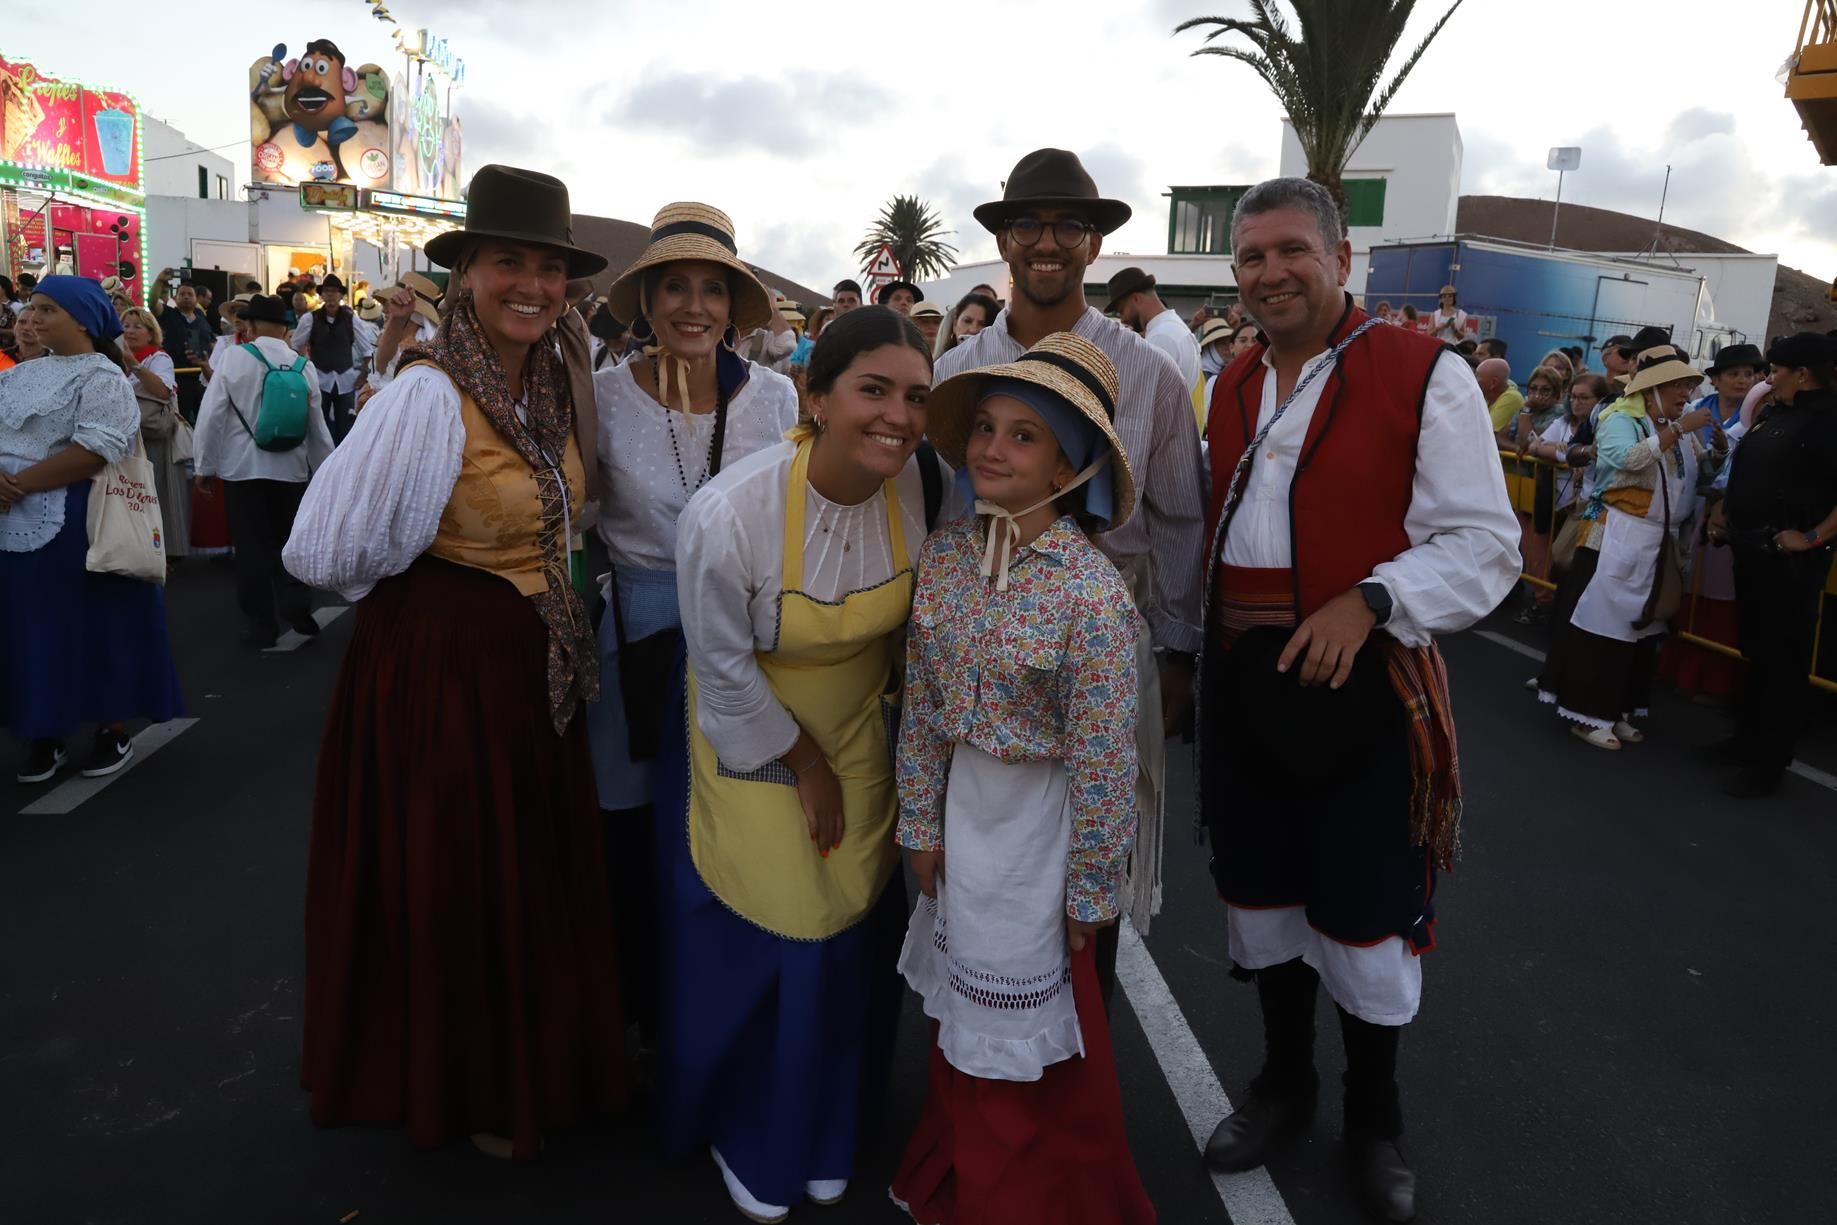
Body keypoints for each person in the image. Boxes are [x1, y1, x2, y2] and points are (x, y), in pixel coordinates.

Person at [281, 165, 623, 1160]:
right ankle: (463, 1083)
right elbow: (322, 548)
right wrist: (430, 597)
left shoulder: (553, 385)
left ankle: (527, 1066)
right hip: (442, 665)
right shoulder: (425, 396)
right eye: (507, 262)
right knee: (458, 881)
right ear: (466, 272)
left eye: (549, 268)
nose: (532, 285)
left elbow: (573, 515)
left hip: (526, 661)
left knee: (520, 873)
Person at [1196, 178, 1520, 1224]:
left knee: (1362, 907)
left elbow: (1483, 546)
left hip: (1356, 691)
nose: (1268, 273)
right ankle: (1283, 1083)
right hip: (1246, 689)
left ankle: (1374, 1118)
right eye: (1250, 257)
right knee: (1266, 891)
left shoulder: (1425, 374)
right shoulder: (1234, 380)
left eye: (1289, 250)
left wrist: (1375, 597)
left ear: (1342, 257)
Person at [662, 306, 935, 1222]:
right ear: (814, 396)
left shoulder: (919, 487)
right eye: (873, 389)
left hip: (860, 733)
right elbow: (723, 666)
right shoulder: (726, 514)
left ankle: (826, 1126)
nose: (897, 415)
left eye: (915, 396)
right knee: (777, 926)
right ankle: (751, 1127)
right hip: (755, 740)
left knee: (848, 932)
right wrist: (803, 763)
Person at [890, 332, 1154, 1224]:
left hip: (1036, 825)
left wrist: (1089, 887)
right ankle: (964, 1162)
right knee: (959, 1017)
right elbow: (923, 703)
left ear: (1068, 468)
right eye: (987, 428)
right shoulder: (948, 556)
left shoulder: (1090, 594)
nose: (991, 449)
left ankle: (1023, 1194)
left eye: (1024, 436)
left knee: (1022, 1025)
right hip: (965, 807)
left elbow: (1103, 759)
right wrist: (919, 826)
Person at [936, 147, 1208, 990]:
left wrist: (1176, 655)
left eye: (1069, 225)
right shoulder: (953, 372)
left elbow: (1177, 518)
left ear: (1095, 244)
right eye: (1027, 223)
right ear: (1004, 240)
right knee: (976, 846)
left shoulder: (1148, 373)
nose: (1045, 242)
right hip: (975, 639)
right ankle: (979, 1065)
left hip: (1104, 637)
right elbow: (937, 522)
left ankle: (1072, 1067)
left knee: (1092, 856)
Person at [586, 202, 801, 1047]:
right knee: (636, 828)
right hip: (639, 627)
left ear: (733, 305)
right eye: (674, 285)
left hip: (747, 636)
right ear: (645, 298)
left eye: (713, 289)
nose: (693, 306)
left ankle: (726, 1008)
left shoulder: (775, 396)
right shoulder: (599, 395)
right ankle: (641, 1009)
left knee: (734, 820)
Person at [0, 277, 184, 783]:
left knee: (95, 624)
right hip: (15, 522)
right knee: (29, 625)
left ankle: (111, 725)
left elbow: (94, 450)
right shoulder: (15, 377)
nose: (32, 319)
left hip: (80, 521)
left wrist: (16, 484)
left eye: (47, 310)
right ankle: (44, 728)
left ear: (82, 319)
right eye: (32, 308)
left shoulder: (103, 377)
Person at [1535, 345, 1719, 751]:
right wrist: (1678, 431)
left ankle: (1616, 710)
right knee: (1603, 628)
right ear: (1654, 386)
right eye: (1678, 385)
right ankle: (1587, 713)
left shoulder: (1675, 426)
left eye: (1688, 386)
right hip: (1615, 537)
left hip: (1654, 541)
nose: (1686, 393)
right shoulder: (1623, 418)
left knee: (1638, 632)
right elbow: (1622, 460)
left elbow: (1700, 471)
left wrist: (1717, 449)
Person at [1706, 332, 1837, 797]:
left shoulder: (1827, 422)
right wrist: (1724, 510)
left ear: (1802, 374)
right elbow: (1749, 467)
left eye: (1776, 369)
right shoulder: (1777, 413)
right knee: (1756, 653)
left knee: (1783, 663)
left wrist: (1812, 537)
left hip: (1789, 567)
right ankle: (1746, 740)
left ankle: (1769, 762)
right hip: (1752, 551)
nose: (1767, 377)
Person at [194, 295, 334, 647]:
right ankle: (296, 604)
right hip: (290, 471)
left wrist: (204, 466)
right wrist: (326, 473)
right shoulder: (304, 367)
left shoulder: (234, 358)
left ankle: (261, 627)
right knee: (289, 542)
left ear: (251, 326)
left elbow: (211, 416)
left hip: (243, 471)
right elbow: (317, 427)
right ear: (287, 328)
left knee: (252, 550)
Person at [1658, 342, 1765, 699]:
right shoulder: (1693, 411)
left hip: (1724, 517)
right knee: (1685, 590)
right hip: (1688, 512)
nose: (1742, 380)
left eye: (1749, 374)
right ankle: (1677, 667)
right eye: (1734, 374)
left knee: (1719, 595)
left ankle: (1712, 676)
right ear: (1716, 379)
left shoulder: (1758, 419)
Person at [119, 306, 192, 564]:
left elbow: (163, 392)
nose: (130, 331)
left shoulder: (159, 358)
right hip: (125, 436)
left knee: (158, 493)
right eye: (126, 326)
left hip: (153, 436)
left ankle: (166, 552)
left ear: (151, 333)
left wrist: (135, 365)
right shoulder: (113, 358)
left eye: (137, 326)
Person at [1106, 265, 1204, 430]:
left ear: (1136, 299)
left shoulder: (1162, 337)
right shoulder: (1173, 327)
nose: (1122, 319)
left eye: (1121, 311)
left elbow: (1142, 411)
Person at [291, 273, 371, 443]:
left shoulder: (351, 319)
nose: (330, 295)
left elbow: (366, 350)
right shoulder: (309, 319)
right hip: (319, 379)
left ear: (341, 295)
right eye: (326, 291)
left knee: (346, 429)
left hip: (346, 380)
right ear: (321, 295)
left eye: (334, 291)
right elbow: (296, 345)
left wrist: (363, 375)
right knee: (319, 428)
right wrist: (303, 371)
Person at [367, 272, 443, 395]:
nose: (385, 309)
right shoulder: (387, 337)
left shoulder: (428, 350)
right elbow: (380, 368)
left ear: (415, 316)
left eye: (394, 304)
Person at [157, 282, 215, 419]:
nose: (186, 297)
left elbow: (212, 342)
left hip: (201, 378)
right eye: (182, 294)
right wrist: (159, 281)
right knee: (180, 421)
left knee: (205, 419)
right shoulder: (168, 314)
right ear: (175, 298)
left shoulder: (202, 320)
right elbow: (152, 301)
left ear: (196, 299)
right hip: (177, 378)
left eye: (190, 294)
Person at [1478, 357, 1527, 446]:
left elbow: (1485, 433)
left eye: (1477, 378)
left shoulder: (1511, 397)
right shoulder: (1488, 397)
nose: (1474, 382)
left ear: (1493, 383)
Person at [938, 291, 998, 359]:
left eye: (982, 324)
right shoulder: (940, 364)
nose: (973, 330)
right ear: (955, 324)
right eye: (967, 321)